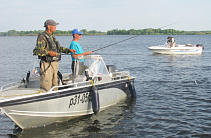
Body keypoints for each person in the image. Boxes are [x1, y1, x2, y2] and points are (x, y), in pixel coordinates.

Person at [33, 19, 76, 91]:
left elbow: (59, 48)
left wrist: (69, 50)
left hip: (55, 64)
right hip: (47, 64)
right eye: (54, 26)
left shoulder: (52, 37)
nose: (56, 27)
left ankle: (54, 98)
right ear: (49, 26)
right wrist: (49, 52)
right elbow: (36, 51)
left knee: (55, 84)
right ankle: (45, 98)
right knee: (46, 84)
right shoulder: (42, 37)